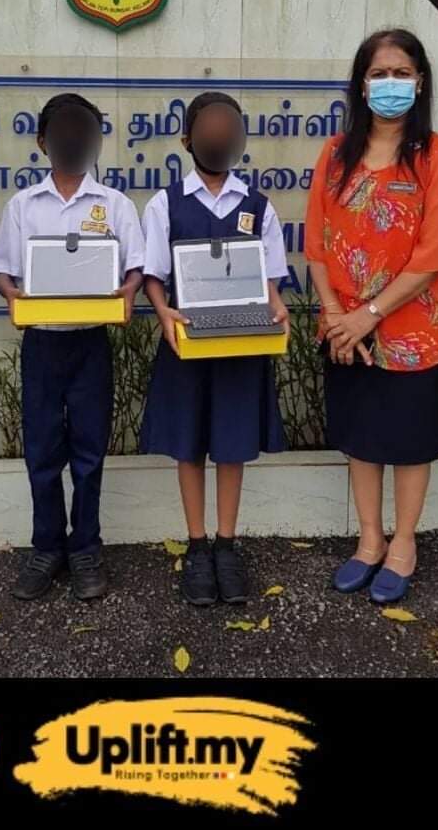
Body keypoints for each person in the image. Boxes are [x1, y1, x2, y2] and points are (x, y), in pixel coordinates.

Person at [305, 29, 438, 604]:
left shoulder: (437, 157)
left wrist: (370, 313)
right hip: (344, 328)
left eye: (402, 73)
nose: (390, 84)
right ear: (361, 82)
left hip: (411, 328)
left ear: (419, 81)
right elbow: (316, 244)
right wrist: (335, 314)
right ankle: (368, 539)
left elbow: (435, 253)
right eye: (379, 73)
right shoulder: (335, 153)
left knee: (407, 441)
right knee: (362, 438)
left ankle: (403, 543)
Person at [0, 93, 145, 601]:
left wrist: (129, 290)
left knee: (88, 452)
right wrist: (13, 297)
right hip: (42, 345)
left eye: (85, 129)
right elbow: (3, 273)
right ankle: (46, 549)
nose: (74, 138)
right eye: (63, 129)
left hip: (90, 344)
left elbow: (134, 268)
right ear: (42, 141)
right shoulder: (23, 205)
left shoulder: (114, 205)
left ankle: (85, 549)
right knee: (41, 450)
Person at [140, 92, 289, 607]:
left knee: (231, 443)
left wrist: (276, 306)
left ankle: (228, 544)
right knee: (189, 444)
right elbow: (153, 276)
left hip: (242, 342)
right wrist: (162, 312)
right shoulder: (166, 203)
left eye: (229, 129)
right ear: (187, 139)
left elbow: (272, 278)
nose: (218, 138)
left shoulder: (258, 206)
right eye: (208, 129)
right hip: (187, 340)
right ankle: (197, 545)